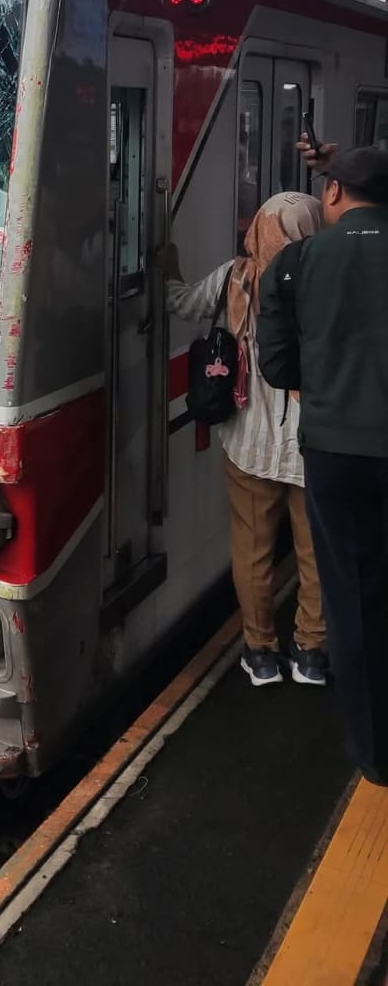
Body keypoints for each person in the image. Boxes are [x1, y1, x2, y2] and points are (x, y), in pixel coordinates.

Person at [258, 148, 388, 786]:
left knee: (355, 600)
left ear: (334, 193)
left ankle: (376, 751)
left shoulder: (295, 264)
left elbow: (278, 368)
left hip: (336, 455)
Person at [162, 192, 327, 687]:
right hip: (312, 448)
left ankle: (260, 654)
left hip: (249, 448)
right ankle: (311, 654)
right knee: (315, 556)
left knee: (252, 554)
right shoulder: (328, 285)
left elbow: (179, 301)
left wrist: (165, 261)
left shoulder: (238, 276)